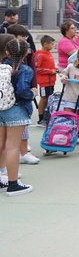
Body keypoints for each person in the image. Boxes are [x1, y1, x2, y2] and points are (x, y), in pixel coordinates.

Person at [1, 38, 34, 195]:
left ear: (7, 52)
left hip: (0, 107)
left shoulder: (2, 67)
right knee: (13, 147)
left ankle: (1, 179)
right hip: (16, 109)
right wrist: (31, 94)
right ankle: (13, 184)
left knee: (1, 145)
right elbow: (22, 90)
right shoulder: (25, 69)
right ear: (26, 52)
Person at [34, 35, 57, 128]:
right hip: (44, 81)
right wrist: (50, 71)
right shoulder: (40, 54)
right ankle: (41, 118)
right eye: (51, 44)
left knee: (49, 98)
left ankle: (47, 117)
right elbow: (37, 68)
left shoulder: (49, 53)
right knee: (44, 98)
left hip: (51, 81)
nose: (53, 46)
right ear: (45, 44)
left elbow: (50, 66)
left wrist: (55, 69)